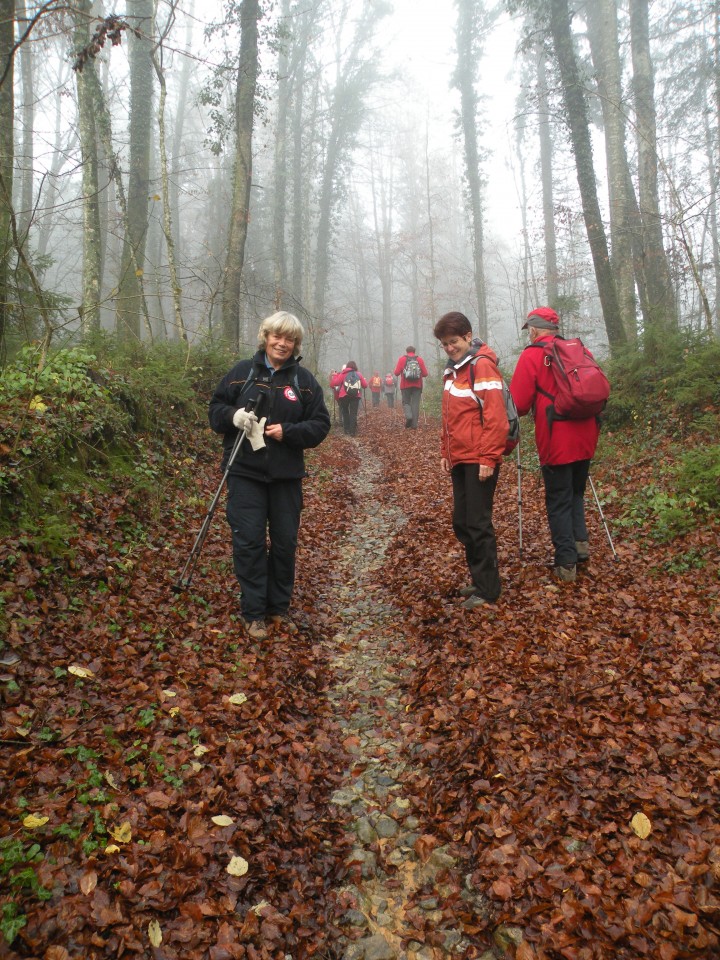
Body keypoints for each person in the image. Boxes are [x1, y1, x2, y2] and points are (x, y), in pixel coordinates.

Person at [208, 311, 330, 641]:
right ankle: (254, 612)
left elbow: (320, 425)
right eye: (277, 336)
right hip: (244, 473)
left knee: (284, 544)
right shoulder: (240, 374)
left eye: (289, 339)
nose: (282, 343)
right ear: (266, 337)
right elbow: (215, 412)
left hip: (285, 477)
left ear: (296, 344)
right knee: (248, 541)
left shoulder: (303, 382)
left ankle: (278, 608)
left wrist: (287, 432)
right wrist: (233, 416)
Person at [509, 306, 600, 583]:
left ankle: (566, 563)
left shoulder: (533, 355)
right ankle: (580, 546)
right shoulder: (579, 350)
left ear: (534, 329)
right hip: (586, 434)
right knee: (575, 493)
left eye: (529, 330)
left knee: (558, 499)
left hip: (556, 437)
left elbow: (519, 404)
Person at [434, 311, 508, 610]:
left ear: (468, 336)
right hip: (461, 458)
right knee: (462, 521)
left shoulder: (482, 367)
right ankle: (480, 580)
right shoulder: (455, 369)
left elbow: (496, 419)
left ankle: (488, 589)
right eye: (444, 344)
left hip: (480, 459)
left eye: (454, 341)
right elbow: (450, 416)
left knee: (477, 524)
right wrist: (445, 451)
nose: (450, 348)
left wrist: (489, 458)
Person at [394, 345, 429, 428]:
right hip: (417, 385)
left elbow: (396, 373)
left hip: (405, 385)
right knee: (415, 404)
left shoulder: (402, 359)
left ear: (406, 351)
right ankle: (414, 425)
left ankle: (409, 417)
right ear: (414, 351)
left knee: (406, 402)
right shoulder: (419, 359)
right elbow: (425, 374)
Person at [330, 361, 368, 436]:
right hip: (355, 396)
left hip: (344, 396)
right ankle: (352, 431)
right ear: (355, 366)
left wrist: (335, 376)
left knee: (345, 412)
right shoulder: (358, 374)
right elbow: (365, 385)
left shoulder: (343, 373)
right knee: (353, 413)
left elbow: (335, 383)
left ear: (347, 366)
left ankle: (346, 430)